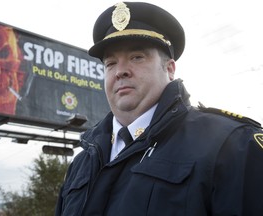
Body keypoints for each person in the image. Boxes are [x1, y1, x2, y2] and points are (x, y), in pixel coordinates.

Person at [55, 2, 263, 215]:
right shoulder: (82, 162)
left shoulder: (232, 145)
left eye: (137, 57)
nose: (120, 71)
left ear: (170, 68)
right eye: (110, 63)